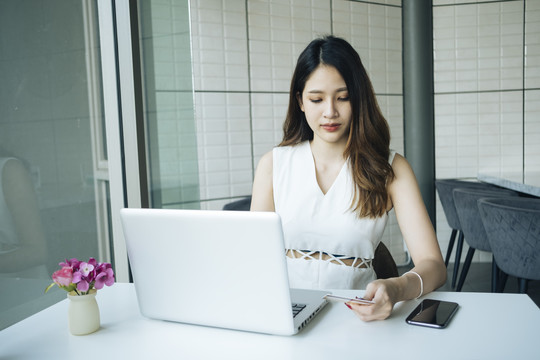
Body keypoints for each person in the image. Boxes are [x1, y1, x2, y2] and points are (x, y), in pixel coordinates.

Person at [250, 35, 446, 321]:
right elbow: (255, 260)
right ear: (300, 102)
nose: (330, 112)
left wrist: (397, 287)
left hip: (357, 318)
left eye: (343, 97)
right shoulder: (274, 165)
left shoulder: (390, 168)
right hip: (284, 314)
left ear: (359, 98)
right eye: (316, 99)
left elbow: (434, 266)